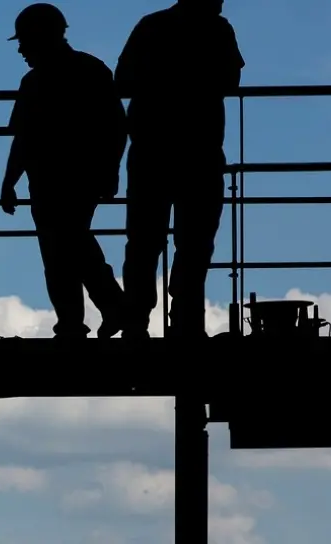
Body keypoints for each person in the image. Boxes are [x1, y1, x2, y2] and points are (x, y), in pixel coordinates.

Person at [115, 0, 244, 338]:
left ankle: (137, 321)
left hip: (151, 152)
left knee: (144, 242)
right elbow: (231, 81)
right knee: (195, 243)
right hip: (199, 153)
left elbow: (122, 80)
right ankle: (185, 321)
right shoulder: (218, 30)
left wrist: (159, 81)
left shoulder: (151, 25)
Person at [0, 3, 129, 339]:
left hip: (53, 180)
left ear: (39, 38)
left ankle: (83, 319)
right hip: (76, 178)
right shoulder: (90, 70)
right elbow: (117, 127)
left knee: (61, 248)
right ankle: (103, 311)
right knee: (70, 243)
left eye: (24, 42)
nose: (21, 50)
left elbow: (23, 139)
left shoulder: (35, 82)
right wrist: (110, 171)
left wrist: (9, 183)